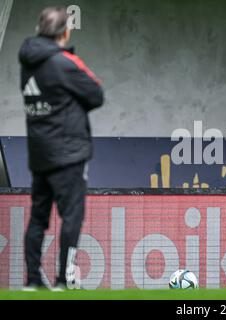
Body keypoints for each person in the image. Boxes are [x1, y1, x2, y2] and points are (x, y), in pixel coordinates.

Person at [19, 7, 104, 290]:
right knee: (72, 216)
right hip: (69, 153)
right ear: (64, 32)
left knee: (38, 218)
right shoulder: (65, 62)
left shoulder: (27, 64)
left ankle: (32, 280)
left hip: (39, 154)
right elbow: (96, 94)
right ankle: (63, 280)